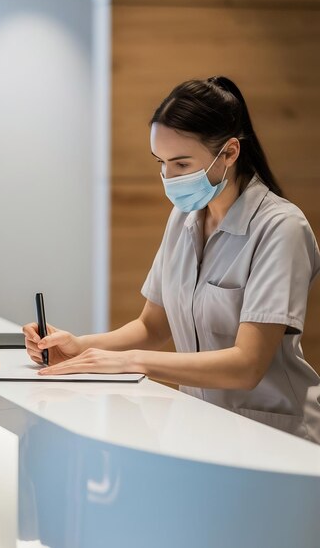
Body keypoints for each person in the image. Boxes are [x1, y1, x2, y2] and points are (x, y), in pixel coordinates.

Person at [23, 76, 320, 444]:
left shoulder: (281, 228)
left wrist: (129, 362)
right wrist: (80, 346)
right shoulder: (185, 218)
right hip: (203, 427)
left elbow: (246, 365)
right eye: (161, 163)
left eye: (181, 164)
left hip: (279, 437)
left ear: (228, 153)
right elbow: (153, 326)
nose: (169, 178)